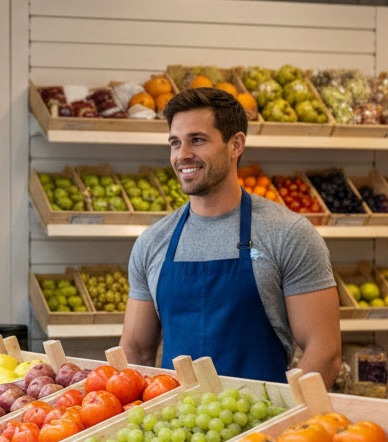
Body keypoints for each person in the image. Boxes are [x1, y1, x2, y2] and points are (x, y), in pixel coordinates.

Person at [119, 87, 342, 385]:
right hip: (173, 423)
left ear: (235, 144)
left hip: (263, 420)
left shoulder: (288, 234)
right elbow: (135, 350)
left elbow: (324, 352)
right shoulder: (153, 242)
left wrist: (283, 417)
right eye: (175, 142)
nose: (182, 155)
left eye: (197, 140)